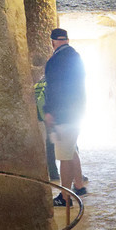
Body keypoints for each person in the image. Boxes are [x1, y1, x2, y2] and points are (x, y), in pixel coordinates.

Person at [43, 28, 88, 205]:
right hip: (76, 112)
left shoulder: (55, 61)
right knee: (70, 149)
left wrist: (49, 111)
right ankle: (79, 185)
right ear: (67, 39)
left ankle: (65, 196)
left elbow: (53, 89)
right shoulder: (76, 57)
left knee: (64, 156)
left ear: (53, 42)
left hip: (63, 114)